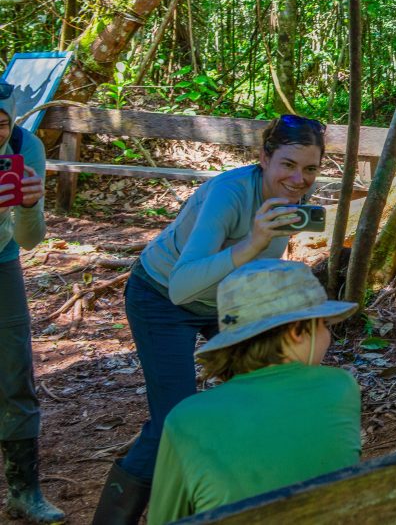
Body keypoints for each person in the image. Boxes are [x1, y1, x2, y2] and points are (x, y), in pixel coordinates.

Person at [92, 114, 327, 525]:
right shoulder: (229, 193)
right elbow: (183, 286)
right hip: (161, 298)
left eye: (310, 169)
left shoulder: (294, 198)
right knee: (174, 421)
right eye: (288, 165)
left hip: (222, 301)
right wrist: (253, 241)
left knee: (267, 390)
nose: (299, 179)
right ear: (264, 159)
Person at [148, 259, 360, 524]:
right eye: (324, 324)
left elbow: (164, 518)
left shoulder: (185, 419)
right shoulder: (340, 387)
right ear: (296, 331)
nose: (328, 335)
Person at [0, 83, 64, 523]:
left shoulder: (27, 148)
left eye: (1, 125)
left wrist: (28, 205)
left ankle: (24, 490)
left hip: (2, 260)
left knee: (14, 372)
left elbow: (29, 239)